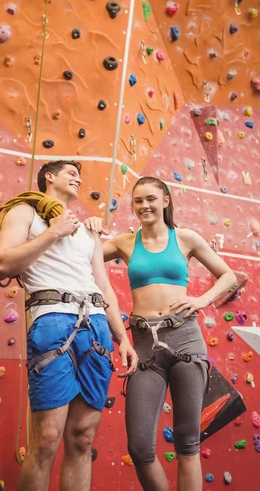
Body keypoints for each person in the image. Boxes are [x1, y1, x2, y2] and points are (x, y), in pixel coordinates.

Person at [0, 160, 138, 491]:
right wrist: (54, 230)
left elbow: (103, 287)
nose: (78, 179)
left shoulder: (88, 231)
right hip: (52, 319)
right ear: (49, 177)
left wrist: (123, 339)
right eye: (71, 174)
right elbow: (2, 265)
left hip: (97, 326)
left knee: (82, 438)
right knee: (45, 439)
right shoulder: (24, 212)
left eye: (79, 177)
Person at [85, 176, 237, 491]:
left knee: (187, 442)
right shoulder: (125, 242)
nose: (145, 206)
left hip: (185, 338)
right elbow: (84, 252)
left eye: (151, 199)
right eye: (138, 201)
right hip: (143, 345)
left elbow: (228, 276)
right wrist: (89, 229)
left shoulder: (186, 238)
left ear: (165, 200)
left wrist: (201, 300)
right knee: (140, 449)